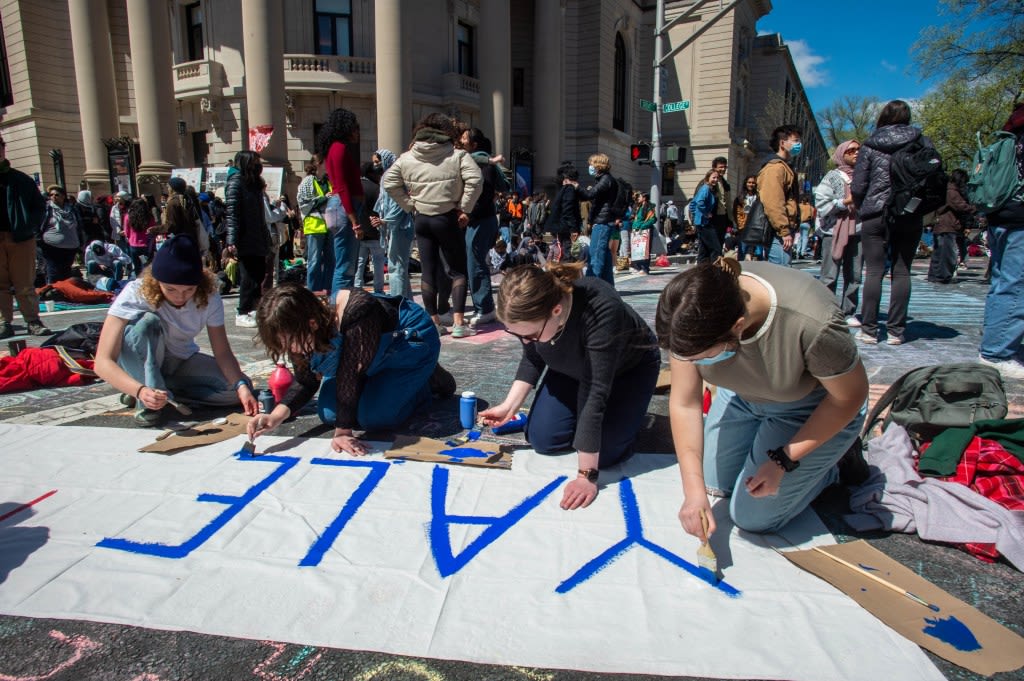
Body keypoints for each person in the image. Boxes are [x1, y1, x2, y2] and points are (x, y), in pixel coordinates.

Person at [655, 258, 868, 538]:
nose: (690, 363)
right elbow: (685, 403)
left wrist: (784, 460)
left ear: (738, 327)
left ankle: (834, 466)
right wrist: (693, 493)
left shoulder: (812, 323)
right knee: (712, 484)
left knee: (751, 516)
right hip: (742, 396)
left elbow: (849, 398)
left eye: (701, 358)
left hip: (810, 407)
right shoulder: (689, 308)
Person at [481, 263, 660, 510]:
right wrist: (509, 406)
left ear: (556, 310)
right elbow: (533, 356)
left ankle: (622, 420)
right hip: (568, 366)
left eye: (530, 336)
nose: (526, 341)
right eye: (516, 334)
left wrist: (587, 476)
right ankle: (590, 425)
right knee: (543, 439)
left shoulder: (601, 307)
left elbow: (594, 391)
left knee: (605, 455)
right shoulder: (536, 313)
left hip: (626, 370)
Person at [248, 282, 453, 453]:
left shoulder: (358, 309)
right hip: (365, 360)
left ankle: (426, 379)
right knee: (330, 413)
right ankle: (384, 382)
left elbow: (351, 374)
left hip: (407, 345)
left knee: (374, 418)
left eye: (290, 343)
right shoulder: (298, 330)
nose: (290, 350)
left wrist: (343, 432)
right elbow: (306, 380)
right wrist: (275, 416)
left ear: (311, 324)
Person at [93, 234, 259, 427]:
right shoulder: (135, 292)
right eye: (170, 290)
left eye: (189, 290)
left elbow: (222, 351)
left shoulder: (209, 296)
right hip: (140, 356)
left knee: (236, 389)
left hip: (180, 359)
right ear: (156, 282)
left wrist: (240, 386)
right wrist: (139, 390)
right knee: (147, 323)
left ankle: (161, 391)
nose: (180, 297)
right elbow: (102, 361)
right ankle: (145, 393)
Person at [381, 113, 482, 338]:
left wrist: (410, 205)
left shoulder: (406, 157)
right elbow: (476, 179)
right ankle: (458, 323)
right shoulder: (456, 156)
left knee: (428, 270)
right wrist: (464, 207)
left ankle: (434, 321)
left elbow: (389, 182)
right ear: (446, 132)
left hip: (422, 218)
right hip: (447, 217)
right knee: (457, 271)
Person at [852, 100, 933, 346]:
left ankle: (869, 329)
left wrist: (861, 205)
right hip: (909, 211)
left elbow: (858, 185)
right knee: (901, 270)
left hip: (876, 211)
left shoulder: (871, 145)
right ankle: (897, 331)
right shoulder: (922, 142)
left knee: (874, 271)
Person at [978, 102, 1024, 379]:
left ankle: (996, 343)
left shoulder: (1008, 138)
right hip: (1018, 218)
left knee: (1004, 282)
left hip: (1001, 216)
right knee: (1014, 285)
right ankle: (996, 350)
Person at [0, 136, 50, 338]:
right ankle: (4, 322)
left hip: (20, 238)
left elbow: (39, 207)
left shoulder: (21, 180)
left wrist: (29, 227)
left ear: (4, 149)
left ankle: (33, 321)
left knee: (25, 283)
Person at [316, 108, 365, 295]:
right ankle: (339, 310)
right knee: (345, 267)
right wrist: (354, 221)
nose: (357, 132)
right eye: (354, 128)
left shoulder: (334, 149)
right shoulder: (339, 149)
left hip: (342, 207)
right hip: (345, 208)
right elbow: (343, 187)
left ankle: (340, 306)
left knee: (344, 264)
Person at [815, 140, 863, 326]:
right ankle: (826, 310)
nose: (856, 153)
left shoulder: (863, 176)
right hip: (833, 231)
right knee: (829, 274)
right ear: (842, 153)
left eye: (858, 150)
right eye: (851, 150)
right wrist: (845, 202)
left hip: (858, 230)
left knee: (855, 274)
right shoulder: (832, 176)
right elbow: (822, 203)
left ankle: (849, 311)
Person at [225, 150, 271, 328]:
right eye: (255, 162)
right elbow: (232, 213)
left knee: (258, 273)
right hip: (245, 237)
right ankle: (242, 311)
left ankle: (253, 307)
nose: (258, 166)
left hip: (257, 235)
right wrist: (232, 239)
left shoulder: (253, 183)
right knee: (248, 276)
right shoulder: (236, 182)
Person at [461, 128, 501, 328]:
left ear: (474, 145)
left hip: (480, 220)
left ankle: (484, 308)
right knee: (474, 263)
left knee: (476, 264)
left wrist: (467, 213)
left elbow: (483, 195)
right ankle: (483, 307)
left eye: (465, 138)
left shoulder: (484, 166)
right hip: (480, 220)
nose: (461, 140)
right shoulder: (478, 163)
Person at [371, 148, 414, 300]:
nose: (376, 165)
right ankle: (406, 302)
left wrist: (385, 220)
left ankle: (399, 302)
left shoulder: (393, 175)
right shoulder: (388, 176)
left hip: (400, 226)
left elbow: (398, 203)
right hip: (395, 226)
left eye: (378, 162)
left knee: (396, 267)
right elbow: (384, 203)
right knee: (399, 266)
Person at [757, 124, 802, 267]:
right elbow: (773, 202)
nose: (799, 144)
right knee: (781, 274)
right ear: (783, 143)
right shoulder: (775, 168)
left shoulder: (784, 166)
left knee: (781, 272)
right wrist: (784, 230)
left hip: (782, 230)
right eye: (795, 140)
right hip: (777, 232)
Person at [572, 153, 617, 286]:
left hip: (603, 222)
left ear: (598, 165)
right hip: (603, 221)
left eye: (591, 164)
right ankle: (608, 286)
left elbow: (589, 195)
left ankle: (592, 286)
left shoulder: (605, 179)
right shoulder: (605, 179)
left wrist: (576, 186)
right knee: (605, 256)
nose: (590, 167)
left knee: (595, 255)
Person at [929, 169, 975, 285]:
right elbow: (960, 206)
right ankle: (943, 275)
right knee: (947, 253)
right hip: (948, 225)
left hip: (941, 224)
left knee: (938, 252)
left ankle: (934, 275)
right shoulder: (952, 191)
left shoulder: (945, 189)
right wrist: (975, 208)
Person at [296, 155, 334, 293]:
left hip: (330, 224)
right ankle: (314, 289)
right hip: (314, 225)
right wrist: (324, 198)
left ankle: (329, 287)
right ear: (318, 164)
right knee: (315, 260)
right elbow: (303, 203)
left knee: (331, 259)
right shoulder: (307, 182)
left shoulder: (328, 180)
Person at [39, 185, 85, 284]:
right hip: (51, 246)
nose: (53, 197)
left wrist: (80, 243)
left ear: (63, 196)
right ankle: (52, 294)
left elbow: (79, 227)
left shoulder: (72, 209)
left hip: (70, 247)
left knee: (66, 273)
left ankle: (64, 294)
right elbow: (39, 225)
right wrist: (39, 240)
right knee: (53, 272)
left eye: (57, 194)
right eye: (51, 195)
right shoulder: (46, 209)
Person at [354, 160, 385, 293]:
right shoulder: (377, 188)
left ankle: (357, 287)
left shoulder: (356, 187)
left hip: (359, 230)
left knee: (360, 262)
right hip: (374, 230)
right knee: (378, 262)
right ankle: (378, 289)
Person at [546, 161, 582, 262]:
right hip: (567, 227)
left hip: (562, 226)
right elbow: (568, 210)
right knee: (568, 253)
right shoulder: (569, 189)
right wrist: (573, 229)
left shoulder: (560, 189)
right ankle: (568, 275)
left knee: (565, 251)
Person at [691, 170, 721, 263]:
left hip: (701, 222)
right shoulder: (705, 189)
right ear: (708, 178)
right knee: (715, 248)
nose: (715, 180)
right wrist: (705, 213)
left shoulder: (707, 189)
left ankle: (701, 270)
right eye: (713, 177)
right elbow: (699, 202)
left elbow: (693, 204)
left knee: (703, 249)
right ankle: (714, 269)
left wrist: (696, 216)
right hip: (704, 223)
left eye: (717, 178)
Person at [123, 197, 155, 277]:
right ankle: (148, 280)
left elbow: (126, 232)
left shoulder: (128, 217)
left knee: (137, 266)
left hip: (134, 244)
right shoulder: (149, 217)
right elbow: (152, 230)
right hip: (147, 244)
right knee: (147, 266)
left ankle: (138, 281)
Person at [732, 175, 758, 260]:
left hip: (755, 226)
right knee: (742, 249)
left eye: (753, 183)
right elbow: (736, 213)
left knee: (754, 250)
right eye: (749, 182)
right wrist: (740, 225)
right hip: (743, 226)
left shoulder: (758, 197)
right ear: (745, 183)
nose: (751, 184)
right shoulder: (740, 198)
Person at [630, 193, 657, 274]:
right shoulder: (638, 206)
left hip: (645, 231)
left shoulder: (649, 207)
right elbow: (635, 218)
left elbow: (653, 219)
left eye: (640, 197)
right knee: (636, 249)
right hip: (636, 230)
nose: (638, 198)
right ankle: (637, 267)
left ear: (644, 198)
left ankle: (645, 268)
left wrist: (642, 226)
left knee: (645, 249)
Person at [710, 156, 733, 249]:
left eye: (724, 167)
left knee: (719, 245)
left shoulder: (725, 184)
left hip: (722, 218)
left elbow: (727, 203)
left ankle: (716, 263)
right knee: (710, 246)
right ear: (714, 168)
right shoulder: (708, 183)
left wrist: (729, 221)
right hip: (712, 218)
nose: (723, 169)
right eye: (720, 167)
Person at [796, 194, 816, 258]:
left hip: (799, 223)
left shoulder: (799, 206)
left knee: (800, 237)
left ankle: (797, 251)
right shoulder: (811, 207)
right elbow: (813, 216)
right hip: (807, 223)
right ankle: (803, 252)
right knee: (805, 238)